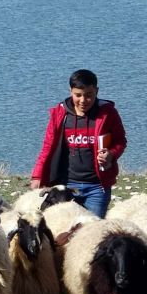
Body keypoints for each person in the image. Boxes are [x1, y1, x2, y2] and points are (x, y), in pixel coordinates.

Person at [30, 69, 127, 218]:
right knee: (62, 229)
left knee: (93, 231)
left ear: (97, 91)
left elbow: (120, 140)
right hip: (66, 186)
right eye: (78, 95)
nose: (83, 100)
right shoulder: (60, 114)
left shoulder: (108, 113)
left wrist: (111, 154)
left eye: (89, 95)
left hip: (97, 188)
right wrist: (37, 177)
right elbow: (47, 147)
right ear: (71, 91)